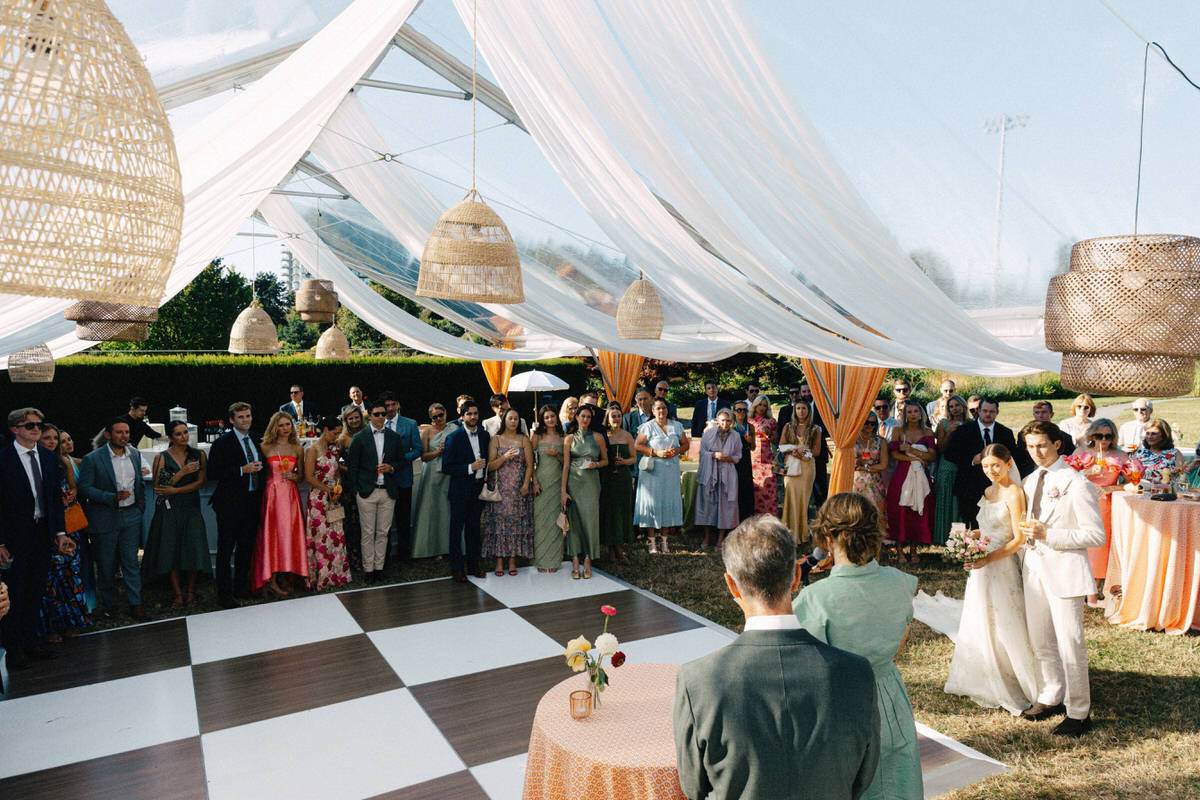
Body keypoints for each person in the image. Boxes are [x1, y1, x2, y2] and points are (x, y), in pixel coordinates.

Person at [674, 514, 880, 800]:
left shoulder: (698, 681)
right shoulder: (857, 673)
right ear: (796, 576)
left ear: (731, 585)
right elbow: (863, 776)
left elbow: (693, 787)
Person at [794, 493, 922, 800]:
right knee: (893, 778)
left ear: (826, 537)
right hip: (888, 694)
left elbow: (804, 671)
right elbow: (897, 644)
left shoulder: (814, 600)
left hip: (838, 705)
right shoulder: (901, 582)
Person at [1018, 420, 1105, 737]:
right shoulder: (1029, 481)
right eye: (1030, 446)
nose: (1036, 452)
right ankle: (1051, 695)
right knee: (1041, 640)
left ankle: (1080, 712)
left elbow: (1095, 534)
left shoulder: (1077, 483)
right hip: (1034, 568)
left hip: (1066, 570)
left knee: (1071, 644)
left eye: (1041, 445)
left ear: (1057, 444)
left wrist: (1049, 534)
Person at [943, 443, 1040, 716]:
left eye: (996, 465)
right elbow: (984, 528)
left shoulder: (1015, 493)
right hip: (981, 563)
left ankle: (1016, 678)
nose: (991, 471)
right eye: (986, 467)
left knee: (1006, 618)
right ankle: (983, 674)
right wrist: (967, 539)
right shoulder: (987, 491)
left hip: (1002, 563)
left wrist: (989, 558)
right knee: (981, 616)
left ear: (1009, 463)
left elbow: (1018, 539)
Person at [1, 408, 74, 669]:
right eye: (29, 425)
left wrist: (60, 532)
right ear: (15, 429)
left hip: (42, 532)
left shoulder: (45, 456)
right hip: (14, 537)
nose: (36, 429)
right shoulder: (4, 458)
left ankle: (31, 642)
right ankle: (14, 649)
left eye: (38, 425)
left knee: (36, 590)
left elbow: (54, 498)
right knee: (15, 592)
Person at [79, 419, 147, 620]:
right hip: (105, 517)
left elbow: (140, 483)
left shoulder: (135, 454)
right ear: (108, 435)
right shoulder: (93, 459)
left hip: (131, 515)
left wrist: (139, 508)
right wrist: (111, 497)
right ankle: (111, 605)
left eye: (126, 432)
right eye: (119, 432)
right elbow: (84, 488)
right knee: (106, 564)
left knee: (131, 563)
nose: (124, 436)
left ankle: (136, 603)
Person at [143, 420, 210, 608]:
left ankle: (190, 592)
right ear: (171, 437)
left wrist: (177, 490)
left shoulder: (198, 455)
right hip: (169, 510)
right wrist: (182, 473)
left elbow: (200, 482)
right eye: (179, 434)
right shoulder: (162, 457)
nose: (184, 437)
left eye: (186, 432)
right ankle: (177, 594)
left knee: (193, 547)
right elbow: (159, 487)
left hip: (190, 507)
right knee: (171, 549)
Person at [207, 401, 264, 608]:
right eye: (241, 417)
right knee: (225, 550)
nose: (245, 420)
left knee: (246, 548)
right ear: (232, 420)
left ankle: (242, 588)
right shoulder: (222, 443)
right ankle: (224, 595)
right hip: (230, 504)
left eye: (248, 416)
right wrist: (242, 470)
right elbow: (212, 473)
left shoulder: (257, 439)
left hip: (252, 501)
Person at [38, 424, 90, 639]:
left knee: (70, 575)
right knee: (50, 579)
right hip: (44, 527)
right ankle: (50, 627)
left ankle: (71, 623)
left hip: (68, 524)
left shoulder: (62, 462)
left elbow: (74, 487)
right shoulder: (34, 463)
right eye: (47, 438)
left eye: (54, 439)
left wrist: (70, 496)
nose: (52, 442)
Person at [345, 400, 403, 584]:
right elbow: (351, 467)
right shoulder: (360, 438)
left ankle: (380, 568)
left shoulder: (394, 437)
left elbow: (402, 461)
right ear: (369, 415)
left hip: (387, 491)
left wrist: (391, 467)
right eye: (376, 414)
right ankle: (368, 570)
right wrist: (355, 490)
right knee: (368, 532)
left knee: (383, 532)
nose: (380, 417)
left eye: (383, 414)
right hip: (366, 492)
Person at [251, 411, 308, 596]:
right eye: (281, 425)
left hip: (290, 497)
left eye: (288, 424)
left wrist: (294, 476)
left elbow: (301, 476)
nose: (285, 428)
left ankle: (287, 575)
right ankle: (271, 579)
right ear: (274, 426)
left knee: (289, 537)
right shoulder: (264, 447)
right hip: (272, 496)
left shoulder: (298, 448)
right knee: (272, 537)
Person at [944, 397, 1016, 528]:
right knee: (972, 524)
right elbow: (949, 454)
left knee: (997, 523)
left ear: (997, 412)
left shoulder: (1005, 432)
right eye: (985, 411)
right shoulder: (963, 431)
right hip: (969, 486)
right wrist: (972, 460)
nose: (988, 414)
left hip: (998, 487)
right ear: (978, 411)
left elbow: (1013, 456)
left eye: (992, 411)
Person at [1079, 419, 1126, 609]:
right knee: (1087, 547)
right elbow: (1068, 477)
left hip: (1108, 504)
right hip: (1084, 503)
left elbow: (1135, 482)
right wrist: (1087, 472)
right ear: (1092, 435)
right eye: (1099, 436)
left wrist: (1111, 488)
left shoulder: (1120, 455)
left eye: (1108, 436)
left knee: (1102, 548)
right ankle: (1089, 594)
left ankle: (1096, 591)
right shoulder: (1082, 454)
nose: (1103, 440)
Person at [482, 408, 535, 576]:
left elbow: (529, 464)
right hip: (500, 489)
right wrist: (504, 457)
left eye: (516, 419)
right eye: (511, 418)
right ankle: (499, 561)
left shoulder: (524, 439)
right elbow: (489, 466)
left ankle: (512, 560)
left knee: (514, 524)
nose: (514, 422)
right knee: (499, 524)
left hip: (518, 490)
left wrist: (526, 484)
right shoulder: (495, 439)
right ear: (504, 420)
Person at [442, 401, 490, 583]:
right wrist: (469, 467)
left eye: (475, 413)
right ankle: (457, 568)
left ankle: (474, 565)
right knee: (456, 530)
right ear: (462, 416)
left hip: (478, 489)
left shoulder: (485, 435)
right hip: (460, 490)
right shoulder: (454, 438)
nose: (473, 417)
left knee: (474, 529)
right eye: (469, 414)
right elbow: (446, 467)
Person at [303, 416, 350, 591]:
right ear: (325, 430)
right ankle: (321, 577)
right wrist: (327, 490)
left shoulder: (334, 449)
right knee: (321, 537)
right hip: (318, 498)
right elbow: (308, 477)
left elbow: (336, 470)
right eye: (334, 433)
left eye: (339, 433)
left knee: (335, 535)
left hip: (333, 497)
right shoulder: (312, 450)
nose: (336, 437)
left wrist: (337, 487)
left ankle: (337, 574)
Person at [635, 398, 687, 555]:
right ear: (652, 410)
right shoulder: (647, 426)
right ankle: (652, 542)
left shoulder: (676, 425)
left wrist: (676, 451)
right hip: (653, 471)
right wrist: (656, 452)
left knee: (667, 503)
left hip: (670, 471)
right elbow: (638, 446)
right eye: (658, 408)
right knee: (653, 503)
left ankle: (664, 541)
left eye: (663, 408)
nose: (661, 411)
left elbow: (685, 444)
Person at [886, 401, 936, 563]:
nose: (913, 414)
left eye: (916, 411)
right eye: (909, 412)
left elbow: (932, 456)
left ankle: (914, 550)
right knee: (901, 510)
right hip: (902, 475)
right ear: (904, 414)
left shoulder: (927, 432)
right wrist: (914, 458)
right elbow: (895, 455)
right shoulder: (898, 431)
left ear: (921, 413)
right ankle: (900, 550)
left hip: (921, 475)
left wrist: (913, 452)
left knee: (917, 511)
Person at [565, 405, 608, 578]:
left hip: (591, 483)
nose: (585, 420)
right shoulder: (569, 439)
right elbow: (566, 465)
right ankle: (575, 559)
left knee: (590, 520)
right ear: (576, 417)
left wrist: (595, 464)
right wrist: (563, 491)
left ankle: (588, 559)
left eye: (588, 417)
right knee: (574, 521)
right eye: (582, 416)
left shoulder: (598, 437)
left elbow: (606, 460)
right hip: (573, 483)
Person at [379, 391, 422, 559]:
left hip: (403, 476)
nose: (390, 409)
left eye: (392, 405)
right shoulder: (377, 423)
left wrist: (401, 460)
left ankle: (405, 553)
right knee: (384, 520)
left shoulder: (410, 424)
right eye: (387, 406)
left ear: (397, 404)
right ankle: (385, 554)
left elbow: (418, 449)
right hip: (383, 478)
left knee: (403, 518)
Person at [696, 408, 742, 551]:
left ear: (732, 422)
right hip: (710, 474)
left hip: (727, 474)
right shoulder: (708, 434)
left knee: (726, 505)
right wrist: (713, 455)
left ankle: (721, 539)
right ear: (717, 421)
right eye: (722, 420)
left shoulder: (735, 436)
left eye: (728, 421)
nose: (725, 423)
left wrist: (728, 458)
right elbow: (702, 453)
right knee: (708, 504)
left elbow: (738, 456)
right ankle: (707, 536)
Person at [530, 404, 569, 572]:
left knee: (555, 521)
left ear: (557, 417)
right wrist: (535, 481)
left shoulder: (563, 436)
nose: (550, 420)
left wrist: (557, 455)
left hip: (558, 482)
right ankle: (541, 560)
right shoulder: (537, 436)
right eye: (546, 417)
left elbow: (567, 462)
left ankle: (553, 561)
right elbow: (529, 460)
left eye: (552, 416)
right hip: (542, 481)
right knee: (540, 520)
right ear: (542, 420)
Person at [411, 403, 452, 559]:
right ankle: (433, 549)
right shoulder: (426, 432)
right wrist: (438, 451)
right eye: (435, 417)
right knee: (432, 510)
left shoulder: (454, 429)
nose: (439, 419)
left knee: (447, 510)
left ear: (445, 413)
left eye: (441, 415)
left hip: (449, 473)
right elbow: (423, 457)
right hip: (432, 475)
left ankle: (449, 546)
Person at [778, 400, 821, 544]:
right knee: (790, 498)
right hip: (791, 466)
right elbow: (781, 445)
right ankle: (789, 534)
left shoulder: (815, 429)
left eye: (804, 408)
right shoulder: (788, 427)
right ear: (794, 410)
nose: (801, 411)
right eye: (798, 408)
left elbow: (817, 451)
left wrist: (803, 453)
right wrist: (793, 450)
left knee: (803, 500)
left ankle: (801, 535)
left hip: (807, 467)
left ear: (809, 410)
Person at [600, 404, 635, 564]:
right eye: (613, 416)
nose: (617, 419)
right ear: (608, 418)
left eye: (619, 416)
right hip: (608, 478)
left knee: (621, 512)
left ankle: (619, 548)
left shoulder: (627, 436)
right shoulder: (603, 436)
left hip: (623, 478)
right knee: (610, 513)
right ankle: (611, 549)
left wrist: (624, 462)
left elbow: (634, 458)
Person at [932, 394, 967, 545]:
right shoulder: (943, 423)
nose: (954, 409)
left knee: (959, 504)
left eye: (957, 405)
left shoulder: (970, 423)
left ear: (963, 407)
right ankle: (943, 538)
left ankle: (958, 540)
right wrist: (950, 432)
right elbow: (940, 448)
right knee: (945, 501)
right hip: (946, 466)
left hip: (964, 467)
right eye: (951, 407)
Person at [337, 406, 366, 570]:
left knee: (366, 523)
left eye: (356, 417)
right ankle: (354, 560)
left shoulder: (367, 433)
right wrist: (349, 469)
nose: (354, 421)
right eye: (351, 418)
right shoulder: (342, 439)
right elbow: (334, 462)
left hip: (367, 482)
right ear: (346, 420)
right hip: (350, 486)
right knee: (352, 524)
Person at [1015, 401, 1075, 477]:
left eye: (1044, 412)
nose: (1040, 416)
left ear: (1052, 414)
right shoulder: (1024, 435)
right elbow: (1020, 459)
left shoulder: (1065, 438)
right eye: (1037, 413)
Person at [852, 412, 889, 531]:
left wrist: (866, 468)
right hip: (856, 480)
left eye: (872, 423)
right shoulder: (852, 439)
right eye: (866, 422)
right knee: (857, 509)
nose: (869, 426)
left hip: (874, 480)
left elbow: (883, 464)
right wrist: (857, 462)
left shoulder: (880, 441)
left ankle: (877, 536)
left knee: (876, 509)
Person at [747, 396, 778, 516]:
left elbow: (776, 440)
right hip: (752, 455)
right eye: (760, 404)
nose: (762, 408)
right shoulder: (749, 420)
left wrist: (769, 434)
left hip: (767, 456)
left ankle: (771, 516)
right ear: (755, 405)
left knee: (769, 486)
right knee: (755, 487)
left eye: (765, 405)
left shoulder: (771, 421)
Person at [1132, 418, 1184, 485]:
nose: (1149, 437)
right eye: (1147, 433)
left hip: (1166, 492)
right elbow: (1133, 477)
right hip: (1143, 490)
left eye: (1154, 434)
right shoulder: (1139, 453)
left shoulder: (1175, 453)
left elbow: (1180, 477)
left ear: (1164, 435)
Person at [731, 401, 757, 522]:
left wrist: (751, 441)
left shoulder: (750, 427)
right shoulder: (731, 426)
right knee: (736, 488)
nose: (742, 412)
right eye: (739, 410)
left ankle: (747, 517)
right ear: (733, 411)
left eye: (744, 410)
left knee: (747, 488)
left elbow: (753, 447)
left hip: (746, 460)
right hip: (734, 461)